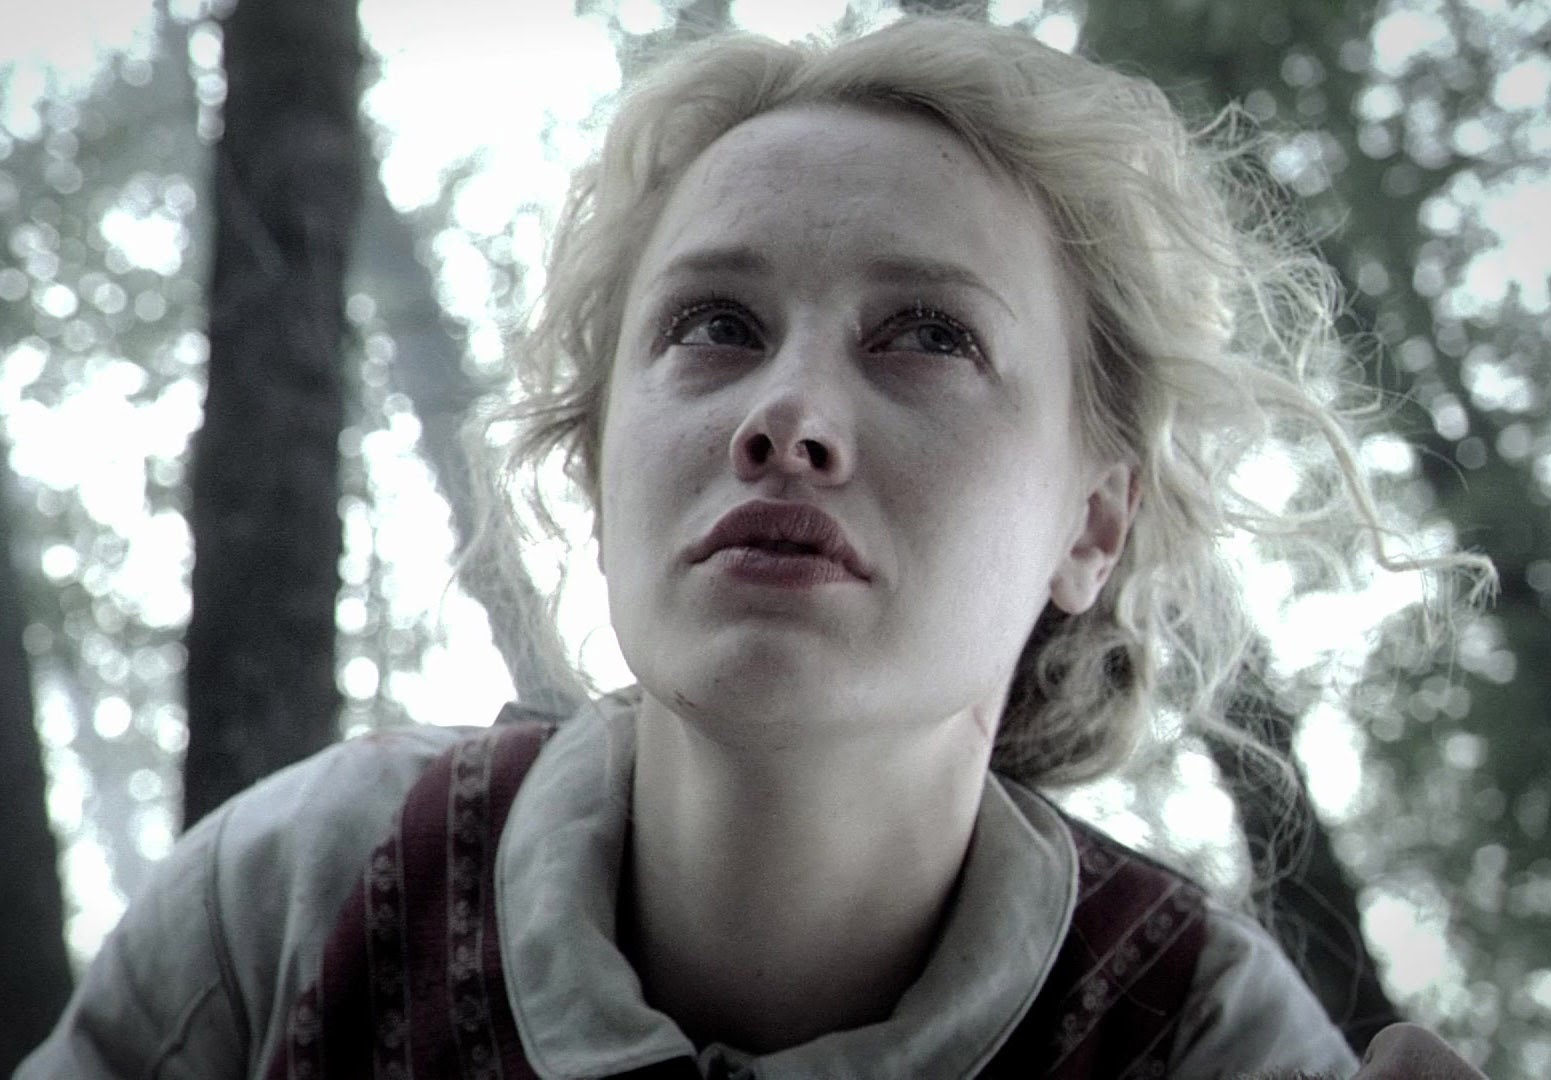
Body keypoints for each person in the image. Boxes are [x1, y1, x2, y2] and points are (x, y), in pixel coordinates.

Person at [20, 13, 1492, 1080]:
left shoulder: (1203, 1041)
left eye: (929, 335)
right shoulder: (295, 901)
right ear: (599, 465)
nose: (787, 418)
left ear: (1092, 522)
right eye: (715, 325)